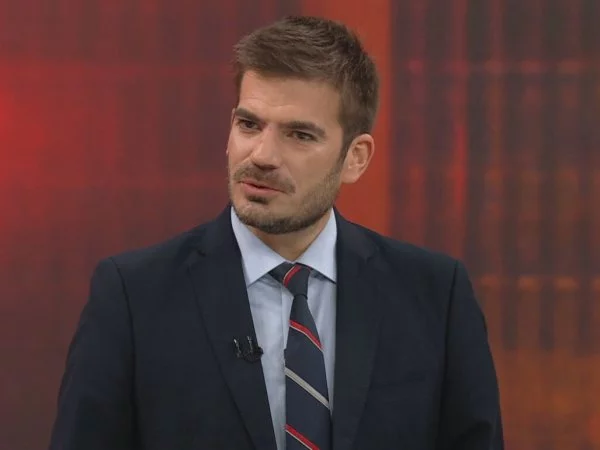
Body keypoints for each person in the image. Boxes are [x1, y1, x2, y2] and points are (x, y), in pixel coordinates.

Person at [49, 15, 503, 450]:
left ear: (355, 158)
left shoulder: (435, 297)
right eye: (249, 124)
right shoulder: (134, 297)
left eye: (299, 135)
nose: (262, 155)